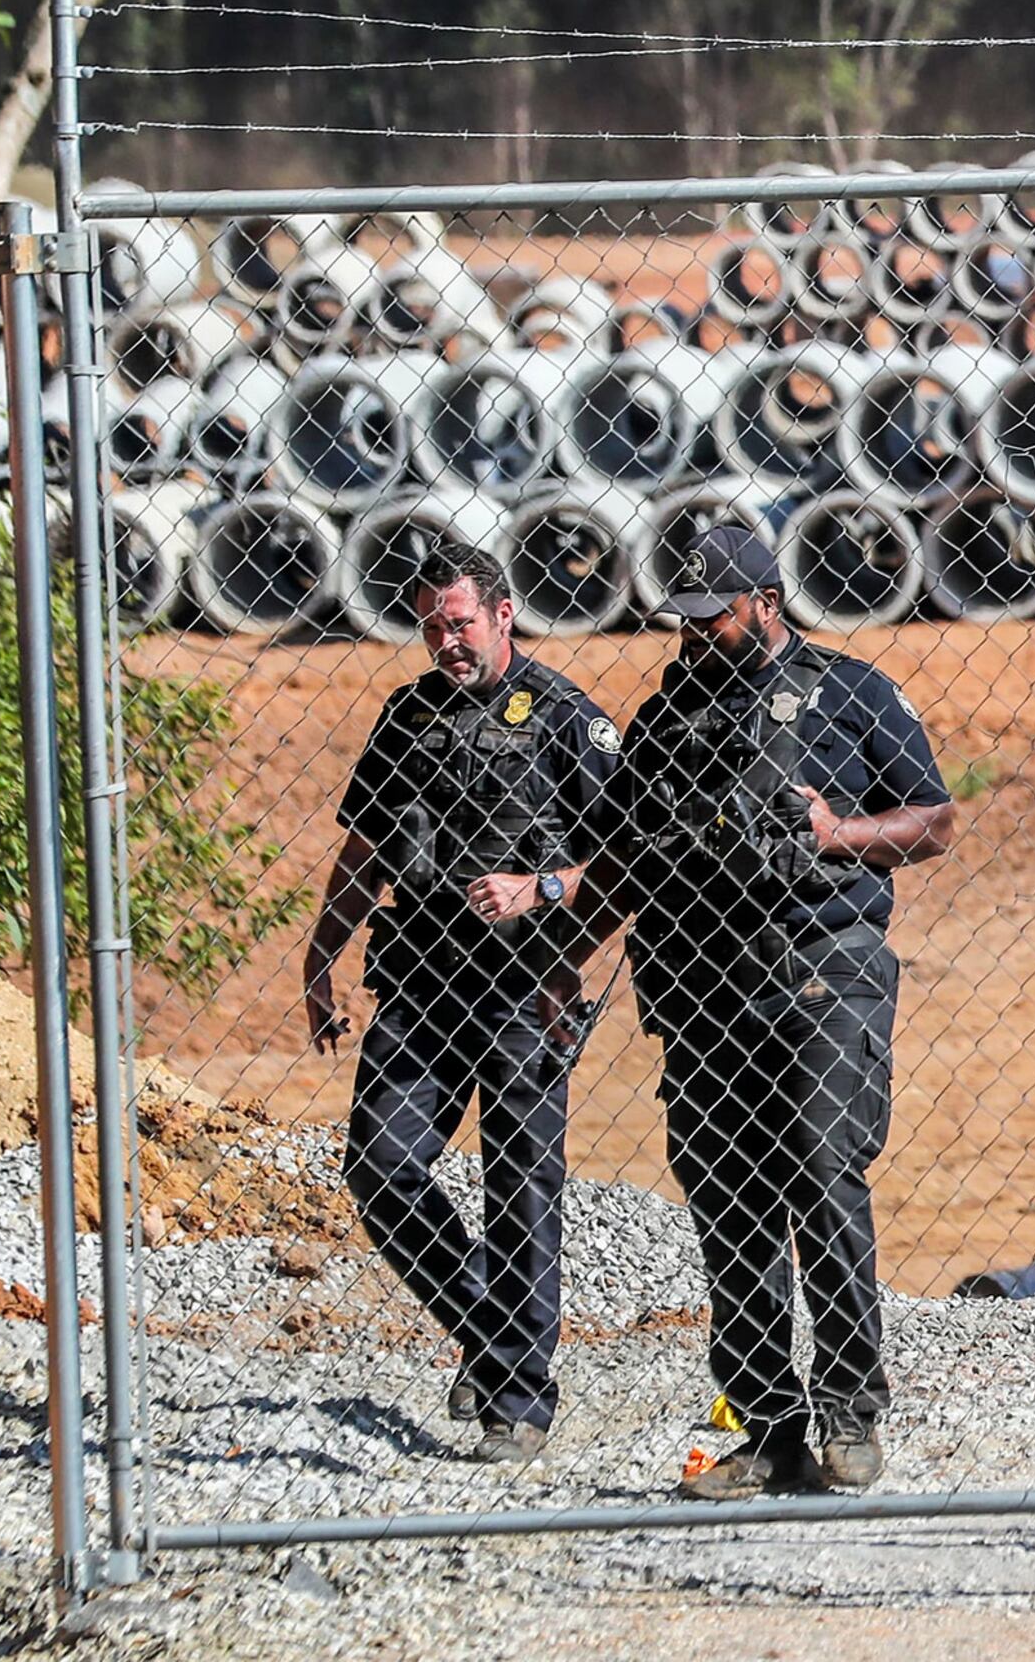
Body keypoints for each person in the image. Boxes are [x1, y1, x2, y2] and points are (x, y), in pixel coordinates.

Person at [591, 525, 959, 1500]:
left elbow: (935, 820)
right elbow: (622, 857)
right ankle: (764, 1429)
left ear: (766, 603)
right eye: (688, 622)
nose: (699, 635)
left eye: (716, 619)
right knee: (728, 1203)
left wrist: (839, 833)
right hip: (701, 986)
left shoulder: (851, 691)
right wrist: (560, 965)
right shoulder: (668, 717)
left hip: (819, 971)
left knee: (824, 1178)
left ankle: (849, 1411)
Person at [297, 545, 617, 1463]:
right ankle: (489, 1328)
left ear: (504, 614)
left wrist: (541, 889)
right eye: (431, 626)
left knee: (520, 1185)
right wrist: (321, 957)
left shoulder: (564, 720)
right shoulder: (407, 718)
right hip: (422, 985)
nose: (446, 641)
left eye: (461, 622)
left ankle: (518, 1398)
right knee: (380, 1167)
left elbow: (630, 860)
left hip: (528, 988)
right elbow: (363, 851)